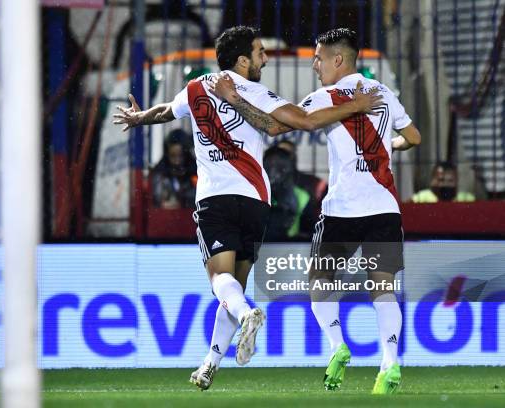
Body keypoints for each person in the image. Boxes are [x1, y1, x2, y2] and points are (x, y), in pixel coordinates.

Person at [113, 25, 382, 390]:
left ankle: (247, 314)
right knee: (234, 287)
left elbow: (167, 111)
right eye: (259, 53)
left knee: (219, 283)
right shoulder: (259, 93)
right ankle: (210, 364)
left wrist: (138, 117)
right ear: (242, 60)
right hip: (256, 201)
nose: (265, 59)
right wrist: (355, 106)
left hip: (216, 200)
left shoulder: (196, 88)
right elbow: (301, 122)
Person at [211, 27, 421, 394]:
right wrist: (389, 146)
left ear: (338, 60)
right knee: (383, 289)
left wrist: (235, 101)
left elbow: (274, 126)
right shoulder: (382, 92)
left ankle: (337, 346)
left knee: (319, 282)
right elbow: (415, 137)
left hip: (342, 210)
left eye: (319, 58)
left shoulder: (324, 97)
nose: (314, 65)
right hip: (385, 208)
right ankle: (389, 366)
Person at [263, 146, 314, 240]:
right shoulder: (253, 194)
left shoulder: (302, 196)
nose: (274, 172)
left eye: (279, 166)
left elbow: (309, 232)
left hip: (290, 250)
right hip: (258, 247)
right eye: (270, 165)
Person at [151, 129, 197, 209]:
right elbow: (157, 198)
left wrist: (182, 200)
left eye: (181, 156)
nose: (177, 162)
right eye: (173, 156)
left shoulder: (195, 172)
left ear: (186, 154)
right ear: (167, 154)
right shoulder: (161, 173)